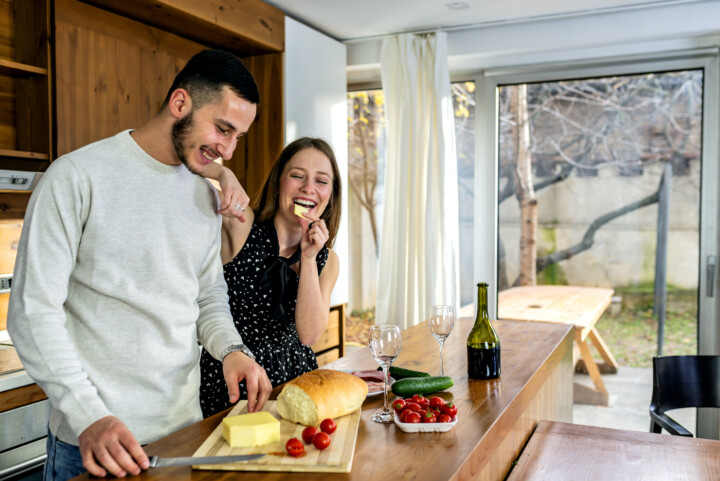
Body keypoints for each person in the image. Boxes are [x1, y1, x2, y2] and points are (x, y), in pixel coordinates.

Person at [7, 49, 273, 481]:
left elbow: (208, 297)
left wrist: (231, 350)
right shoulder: (76, 177)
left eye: (238, 136)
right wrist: (87, 415)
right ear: (180, 103)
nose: (227, 149)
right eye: (223, 128)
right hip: (93, 443)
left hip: (184, 433)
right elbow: (33, 313)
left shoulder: (204, 197)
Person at [198, 137, 341, 418]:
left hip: (295, 384)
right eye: (297, 175)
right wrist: (222, 173)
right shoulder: (241, 226)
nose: (308, 188)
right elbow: (183, 161)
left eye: (321, 181)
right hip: (232, 380)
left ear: (331, 194)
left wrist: (309, 258)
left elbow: (309, 335)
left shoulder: (328, 260)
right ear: (278, 183)